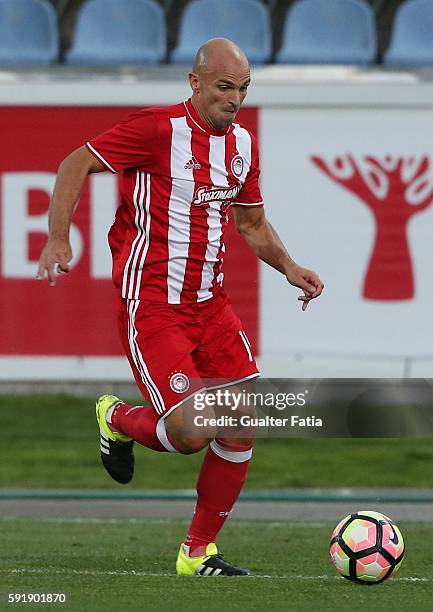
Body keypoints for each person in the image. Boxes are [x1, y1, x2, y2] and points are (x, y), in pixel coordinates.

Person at [37, 38, 324, 576]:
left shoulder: (241, 146)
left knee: (242, 419)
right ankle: (117, 418)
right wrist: (59, 237)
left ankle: (197, 553)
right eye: (224, 87)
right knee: (193, 433)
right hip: (154, 306)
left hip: (212, 306)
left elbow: (252, 224)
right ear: (195, 83)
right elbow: (75, 163)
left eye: (242, 89)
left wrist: (289, 267)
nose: (234, 99)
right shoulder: (156, 130)